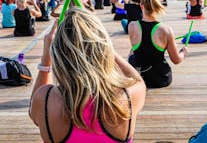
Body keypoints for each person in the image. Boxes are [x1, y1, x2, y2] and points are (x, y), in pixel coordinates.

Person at [29, 8, 146, 142]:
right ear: (103, 49)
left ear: (58, 53)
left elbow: (33, 113)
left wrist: (46, 59)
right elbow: (138, 81)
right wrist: (110, 51)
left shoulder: (46, 100)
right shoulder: (126, 97)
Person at [128, 0, 189, 88]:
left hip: (141, 78)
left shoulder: (132, 26)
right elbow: (176, 60)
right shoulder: (165, 30)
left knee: (132, 53)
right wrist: (183, 52)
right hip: (161, 78)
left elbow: (139, 49)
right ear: (157, 6)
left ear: (141, 5)